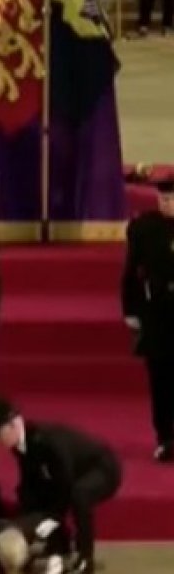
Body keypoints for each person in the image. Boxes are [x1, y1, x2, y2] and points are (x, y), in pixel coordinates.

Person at [0, 396, 122, 573]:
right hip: (72, 474)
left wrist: (53, 518)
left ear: (13, 425)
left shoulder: (48, 441)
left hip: (103, 468)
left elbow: (65, 481)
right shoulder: (20, 444)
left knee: (79, 494)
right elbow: (32, 482)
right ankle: (61, 546)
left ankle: (85, 557)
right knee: (37, 500)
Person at [122, 177, 174, 460]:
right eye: (164, 199)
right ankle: (165, 437)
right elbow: (131, 273)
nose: (168, 204)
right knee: (161, 378)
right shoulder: (144, 229)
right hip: (158, 313)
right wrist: (130, 311)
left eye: (172, 199)